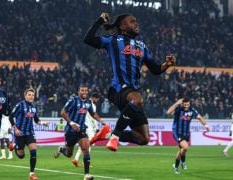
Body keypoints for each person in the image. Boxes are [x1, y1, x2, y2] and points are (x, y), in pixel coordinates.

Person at [84, 12, 176, 151]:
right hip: (118, 89)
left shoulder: (142, 46)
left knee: (143, 138)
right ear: (122, 26)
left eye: (136, 21)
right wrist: (99, 21)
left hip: (132, 94)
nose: (136, 23)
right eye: (132, 21)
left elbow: (155, 69)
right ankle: (115, 136)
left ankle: (106, 135)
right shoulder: (113, 40)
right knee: (138, 99)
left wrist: (167, 64)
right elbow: (88, 39)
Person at [54, 85, 106, 180]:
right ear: (78, 91)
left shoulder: (88, 102)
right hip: (70, 131)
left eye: (86, 90)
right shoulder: (73, 100)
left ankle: (86, 175)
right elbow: (63, 112)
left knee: (86, 149)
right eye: (82, 90)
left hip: (81, 130)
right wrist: (71, 123)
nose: (84, 92)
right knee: (69, 154)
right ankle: (61, 150)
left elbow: (93, 113)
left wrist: (100, 120)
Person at [9, 88, 49, 180]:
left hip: (30, 133)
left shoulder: (34, 107)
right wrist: (15, 129)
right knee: (21, 156)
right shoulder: (20, 105)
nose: (31, 96)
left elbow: (36, 120)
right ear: (25, 96)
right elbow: (11, 116)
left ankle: (32, 173)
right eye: (29, 95)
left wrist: (43, 123)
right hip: (20, 133)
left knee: (33, 152)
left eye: (33, 95)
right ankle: (15, 146)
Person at [166, 98, 210, 174]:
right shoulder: (178, 109)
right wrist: (177, 103)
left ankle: (176, 166)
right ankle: (182, 163)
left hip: (186, 133)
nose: (186, 106)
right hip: (177, 132)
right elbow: (168, 112)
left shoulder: (192, 110)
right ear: (182, 104)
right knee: (185, 147)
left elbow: (199, 117)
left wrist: (206, 125)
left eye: (188, 104)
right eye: (185, 104)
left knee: (183, 150)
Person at [71, 92, 101, 167]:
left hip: (83, 126)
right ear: (94, 98)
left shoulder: (85, 103)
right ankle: (85, 163)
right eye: (97, 99)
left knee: (83, 144)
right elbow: (93, 118)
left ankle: (76, 159)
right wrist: (97, 128)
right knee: (88, 145)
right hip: (89, 128)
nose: (97, 101)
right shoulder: (92, 105)